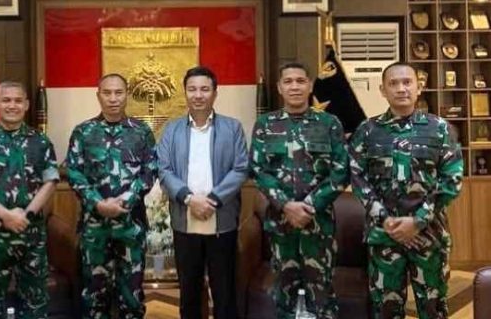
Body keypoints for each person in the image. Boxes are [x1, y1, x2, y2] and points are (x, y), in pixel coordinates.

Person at [349, 62, 463, 319]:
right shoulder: (367, 131)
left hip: (429, 235)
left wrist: (417, 221)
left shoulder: (439, 129)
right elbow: (358, 178)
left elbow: (451, 180)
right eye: (393, 83)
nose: (401, 89)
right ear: (383, 90)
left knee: (433, 309)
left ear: (418, 87)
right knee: (386, 309)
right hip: (384, 236)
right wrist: (386, 221)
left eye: (407, 82)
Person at [249, 62, 348, 319]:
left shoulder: (329, 123)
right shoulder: (265, 124)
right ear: (279, 87)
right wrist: (286, 205)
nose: (295, 86)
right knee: (284, 292)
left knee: (322, 294)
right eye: (288, 81)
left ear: (310, 86)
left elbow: (341, 171)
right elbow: (258, 170)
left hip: (319, 224)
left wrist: (310, 206)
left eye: (301, 81)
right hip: (280, 224)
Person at [157, 66, 248, 319]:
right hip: (185, 221)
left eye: (205, 89)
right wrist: (189, 198)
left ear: (215, 93)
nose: (198, 95)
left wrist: (213, 200)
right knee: (189, 293)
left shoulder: (232, 128)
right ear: (185, 93)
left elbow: (241, 168)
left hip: (222, 221)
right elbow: (163, 169)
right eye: (192, 89)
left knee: (224, 292)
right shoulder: (172, 130)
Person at [0, 81, 59, 319]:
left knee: (35, 304)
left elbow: (50, 182)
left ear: (26, 105)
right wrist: (5, 215)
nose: (12, 105)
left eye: (18, 100)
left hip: (31, 234)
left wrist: (26, 215)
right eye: (6, 100)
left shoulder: (41, 142)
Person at [66, 73, 156, 319]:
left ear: (127, 95)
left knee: (132, 297)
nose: (113, 98)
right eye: (107, 93)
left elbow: (150, 171)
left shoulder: (141, 132)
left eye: (118, 93)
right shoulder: (83, 132)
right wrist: (97, 203)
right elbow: (74, 172)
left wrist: (126, 200)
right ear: (98, 96)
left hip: (130, 226)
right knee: (94, 297)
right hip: (95, 227)